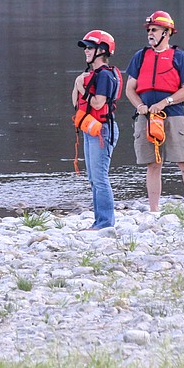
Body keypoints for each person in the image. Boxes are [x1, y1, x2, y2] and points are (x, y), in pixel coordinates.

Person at [124, 10, 184, 212]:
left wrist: (165, 102)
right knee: (152, 163)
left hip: (173, 115)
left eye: (154, 30)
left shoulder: (180, 57)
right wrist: (139, 106)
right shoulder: (140, 57)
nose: (150, 33)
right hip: (146, 117)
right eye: (149, 30)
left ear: (166, 32)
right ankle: (154, 209)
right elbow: (129, 89)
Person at [72, 30, 122, 230]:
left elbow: (99, 103)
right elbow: (76, 102)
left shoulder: (105, 76)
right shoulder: (90, 75)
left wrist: (82, 87)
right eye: (85, 47)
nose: (86, 51)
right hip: (90, 130)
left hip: (103, 131)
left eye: (90, 47)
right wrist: (78, 84)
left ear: (102, 51)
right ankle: (99, 221)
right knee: (93, 178)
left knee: (100, 178)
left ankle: (105, 222)